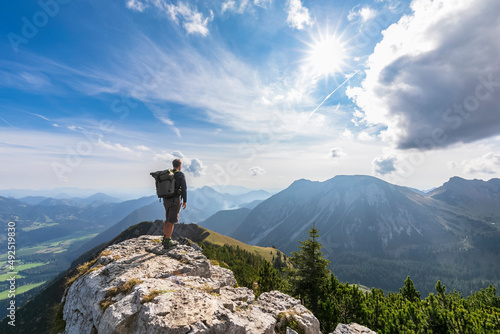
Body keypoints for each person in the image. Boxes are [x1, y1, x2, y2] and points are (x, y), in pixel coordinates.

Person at [162, 158, 187, 249]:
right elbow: (184, 189)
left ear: (173, 165)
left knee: (167, 219)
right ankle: (168, 241)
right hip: (175, 200)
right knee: (171, 221)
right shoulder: (180, 174)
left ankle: (165, 238)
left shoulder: (168, 174)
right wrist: (184, 201)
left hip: (166, 199)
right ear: (180, 165)